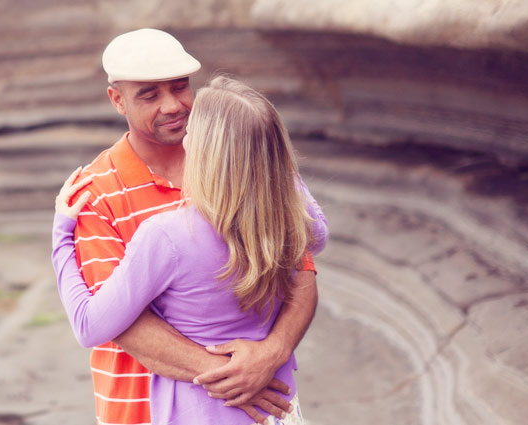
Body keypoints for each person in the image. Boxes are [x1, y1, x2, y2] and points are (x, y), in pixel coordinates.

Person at [56, 28, 329, 425]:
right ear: (117, 100)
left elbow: (300, 266)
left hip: (245, 402)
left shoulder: (238, 169)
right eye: (149, 95)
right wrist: (238, 375)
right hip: (138, 410)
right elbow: (120, 324)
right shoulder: (95, 193)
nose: (172, 106)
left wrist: (274, 350)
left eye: (180, 87)